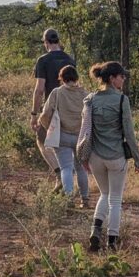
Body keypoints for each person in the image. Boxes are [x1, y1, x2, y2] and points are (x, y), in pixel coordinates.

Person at [80, 61, 139, 251]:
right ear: (112, 78)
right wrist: (138, 158)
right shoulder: (122, 100)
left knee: (104, 194)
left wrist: (83, 157)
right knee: (115, 200)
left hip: (95, 157)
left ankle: (95, 230)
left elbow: (85, 130)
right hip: (115, 157)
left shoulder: (90, 99)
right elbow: (129, 133)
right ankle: (112, 241)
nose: (123, 79)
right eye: (121, 76)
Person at [37, 65, 90, 206]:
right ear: (76, 77)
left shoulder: (57, 92)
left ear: (62, 78)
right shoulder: (85, 94)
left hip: (62, 135)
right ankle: (85, 200)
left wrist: (50, 128)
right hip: (81, 136)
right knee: (81, 168)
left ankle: (69, 198)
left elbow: (45, 114)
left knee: (66, 168)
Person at [30, 28, 74, 186]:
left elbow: (40, 89)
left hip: (51, 108)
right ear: (58, 41)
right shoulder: (69, 59)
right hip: (69, 107)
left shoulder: (43, 60)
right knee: (65, 143)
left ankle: (59, 174)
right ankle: (65, 174)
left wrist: (34, 114)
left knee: (42, 140)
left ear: (46, 42)